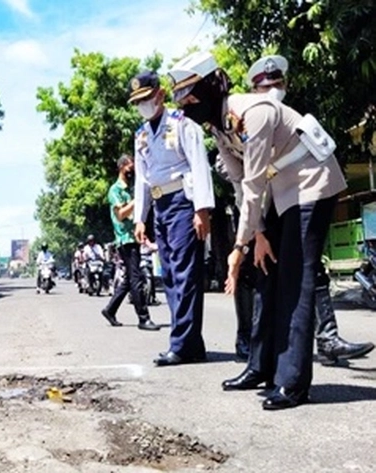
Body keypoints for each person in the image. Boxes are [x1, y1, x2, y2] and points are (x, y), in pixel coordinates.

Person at [168, 51, 347, 410]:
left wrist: (237, 247)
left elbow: (253, 184)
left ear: (214, 86)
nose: (185, 103)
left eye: (190, 93)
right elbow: (238, 185)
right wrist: (259, 236)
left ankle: (293, 382)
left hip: (312, 185)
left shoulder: (254, 113)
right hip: (280, 194)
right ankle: (260, 366)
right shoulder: (220, 127)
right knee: (265, 273)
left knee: (295, 280)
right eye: (180, 97)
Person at [229, 55, 372, 363]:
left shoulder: (285, 120)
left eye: (278, 84)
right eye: (265, 86)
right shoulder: (242, 123)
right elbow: (244, 183)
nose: (273, 90)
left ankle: (326, 337)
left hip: (289, 200)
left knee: (307, 267)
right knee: (259, 275)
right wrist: (255, 232)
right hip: (254, 209)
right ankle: (253, 347)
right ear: (252, 91)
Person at [128, 70, 215, 366]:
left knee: (185, 274)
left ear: (161, 95)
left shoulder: (183, 125)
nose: (143, 105)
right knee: (169, 275)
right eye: (138, 102)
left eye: (147, 99)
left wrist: (202, 209)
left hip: (183, 202)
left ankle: (181, 343)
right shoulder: (141, 136)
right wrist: (140, 218)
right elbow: (142, 178)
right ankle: (191, 344)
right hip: (159, 204)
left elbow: (199, 165)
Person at [100, 154, 160, 330]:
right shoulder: (115, 190)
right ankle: (143, 318)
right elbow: (120, 215)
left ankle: (110, 310)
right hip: (124, 239)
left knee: (128, 279)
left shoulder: (130, 189)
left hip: (133, 237)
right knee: (136, 278)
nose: (133, 170)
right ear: (122, 167)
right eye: (131, 166)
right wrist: (137, 200)